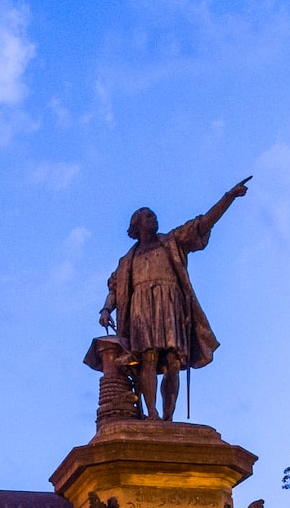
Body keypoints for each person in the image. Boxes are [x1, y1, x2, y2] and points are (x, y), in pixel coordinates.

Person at [97, 177, 249, 422]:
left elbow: (202, 224)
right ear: (136, 226)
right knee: (146, 358)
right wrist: (106, 309)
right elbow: (115, 289)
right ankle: (152, 413)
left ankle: (168, 416)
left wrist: (228, 198)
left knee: (173, 361)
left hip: (170, 305)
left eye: (154, 216)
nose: (154, 219)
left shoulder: (172, 241)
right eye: (148, 217)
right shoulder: (127, 261)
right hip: (141, 309)